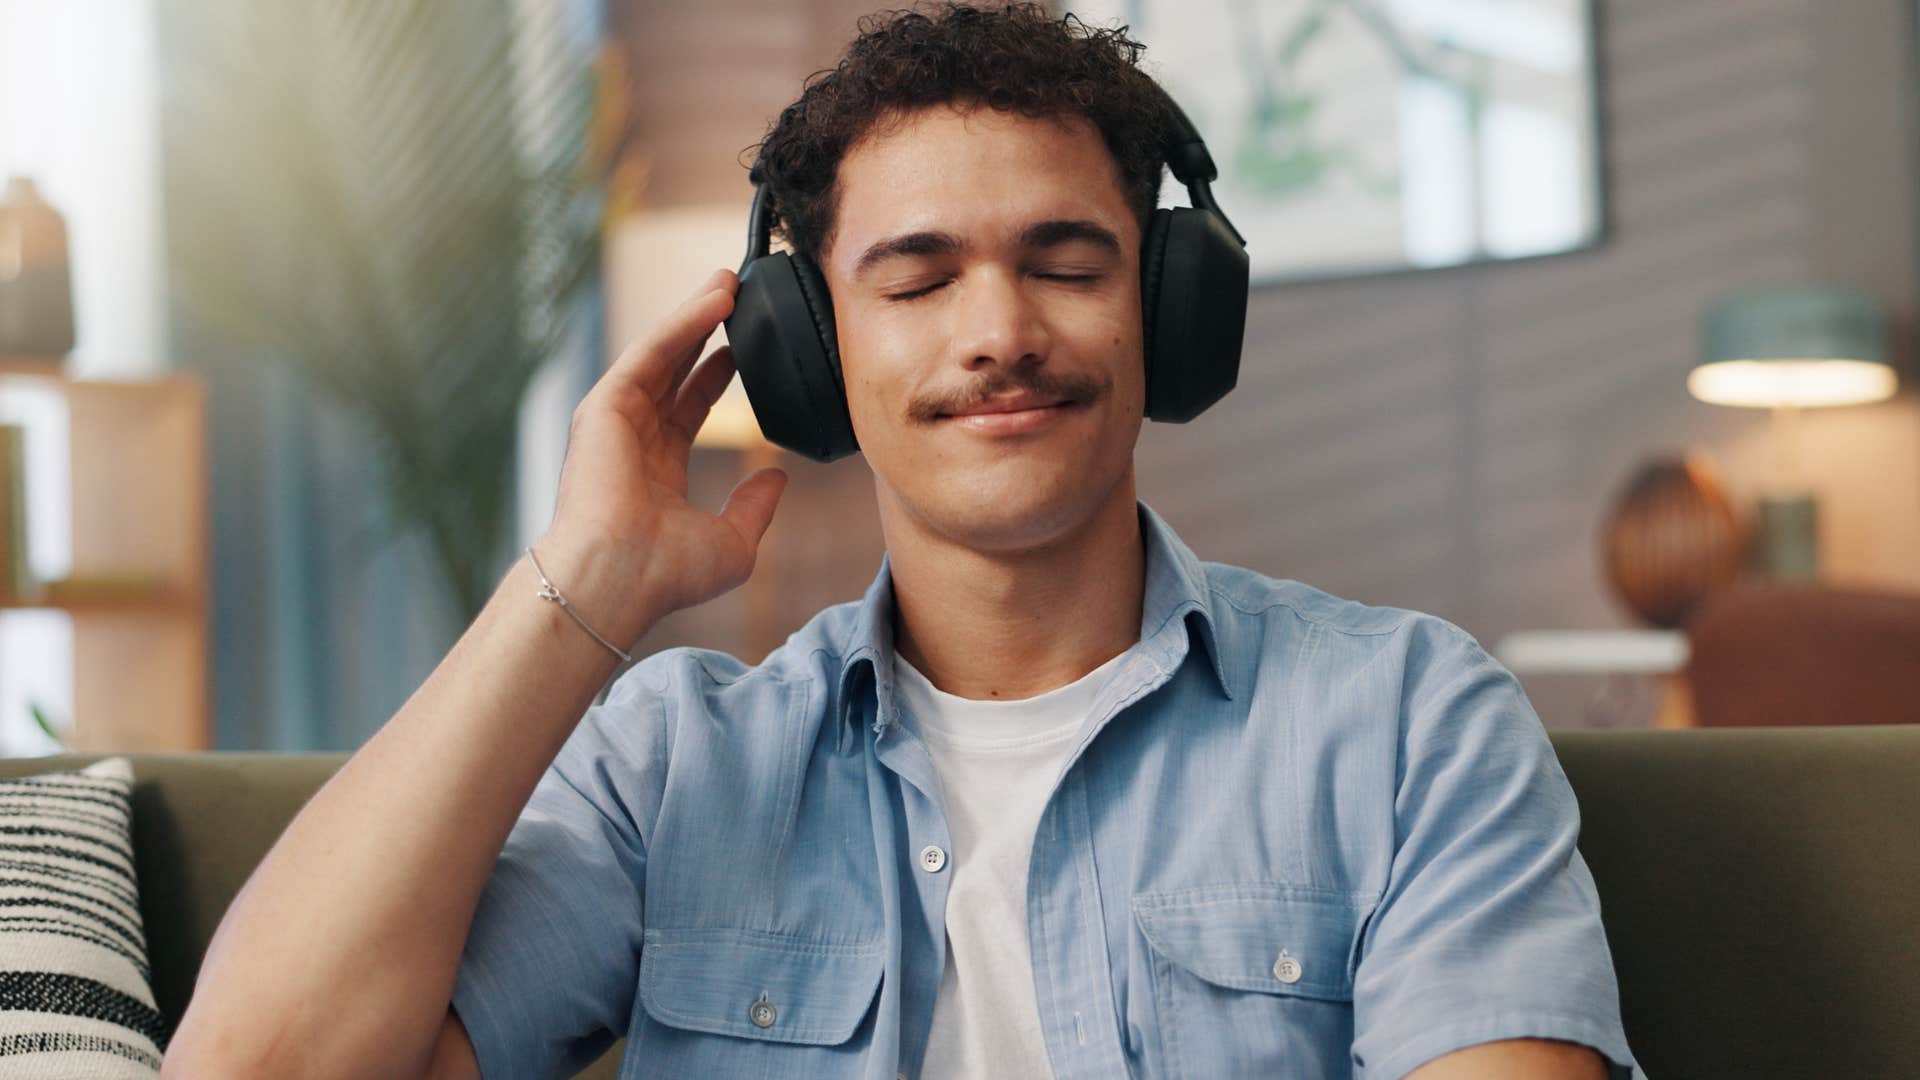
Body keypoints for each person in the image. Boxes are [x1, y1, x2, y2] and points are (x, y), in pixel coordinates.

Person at [163, 5, 1642, 1078]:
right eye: (918, 281)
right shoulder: (680, 766)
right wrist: (580, 589)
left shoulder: (1404, 722)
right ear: (807, 352)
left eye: (1068, 263)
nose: (999, 333)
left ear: (1168, 313)